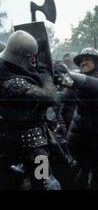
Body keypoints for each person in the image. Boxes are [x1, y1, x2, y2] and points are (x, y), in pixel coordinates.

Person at [0, 31, 60, 190]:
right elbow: (51, 97)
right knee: (46, 182)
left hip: (12, 137)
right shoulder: (12, 82)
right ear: (23, 58)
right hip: (30, 139)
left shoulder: (7, 65)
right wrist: (46, 75)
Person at [58, 47, 98, 189]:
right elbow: (63, 102)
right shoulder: (74, 79)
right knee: (76, 176)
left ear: (97, 62)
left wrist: (71, 77)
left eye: (87, 59)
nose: (83, 62)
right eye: (81, 60)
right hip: (80, 135)